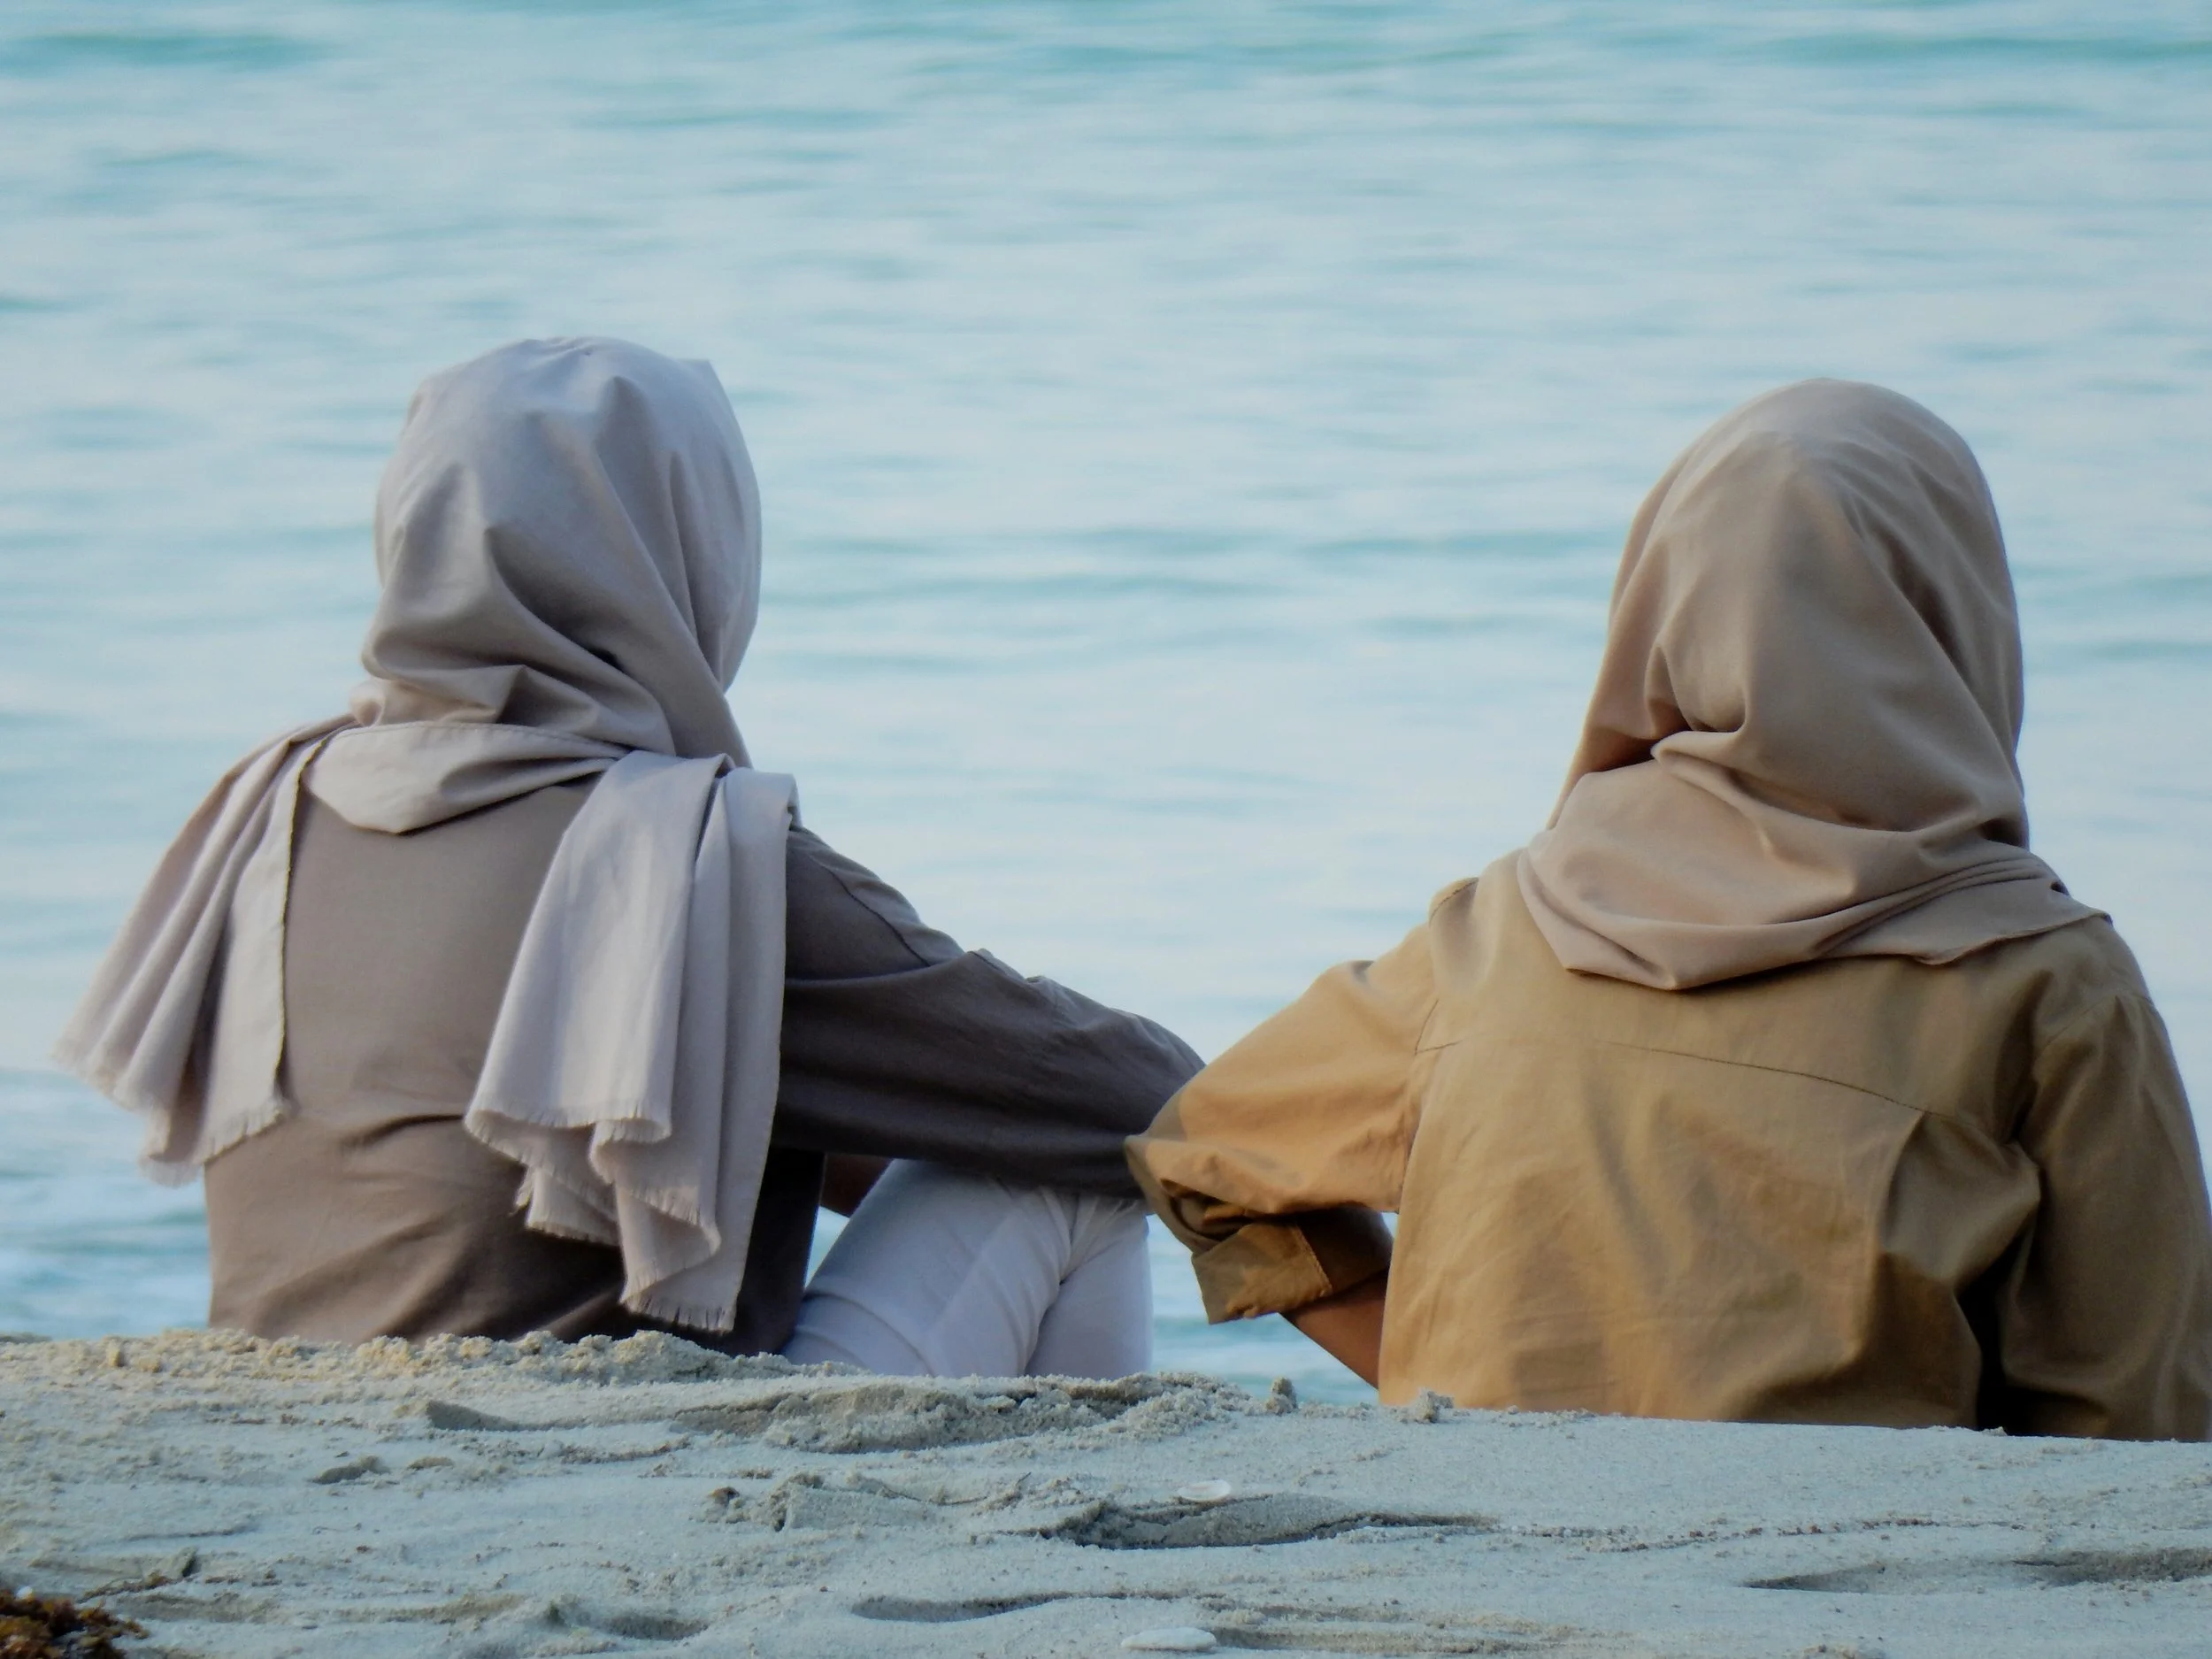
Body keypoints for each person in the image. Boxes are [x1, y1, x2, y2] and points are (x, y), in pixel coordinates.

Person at [58, 337, 1199, 1380]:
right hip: (599, 1453)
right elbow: (1127, 1094)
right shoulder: (689, 858)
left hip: (293, 1419)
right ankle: (1089, 1543)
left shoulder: (270, 806)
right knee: (1063, 1173)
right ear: (695, 549)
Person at [1128, 379, 2212, 1437]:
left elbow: (1209, 1151)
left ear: (1667, 605)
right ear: (1952, 608)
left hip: (1476, 1552)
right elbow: (2138, 1422)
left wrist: (1430, 1392)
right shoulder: (2046, 984)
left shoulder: (1504, 925)